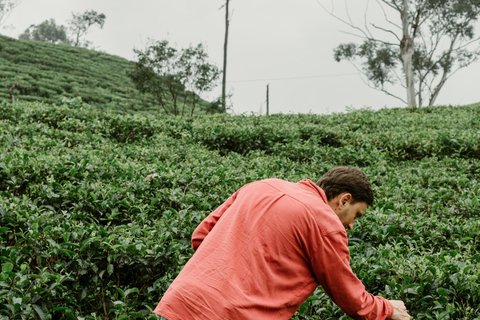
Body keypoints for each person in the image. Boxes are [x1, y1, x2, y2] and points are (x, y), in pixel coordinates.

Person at [154, 166, 411, 320]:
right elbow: (349, 296)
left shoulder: (261, 186)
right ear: (344, 200)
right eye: (357, 214)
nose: (352, 225)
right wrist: (388, 309)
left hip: (184, 302)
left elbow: (200, 236)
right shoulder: (326, 224)